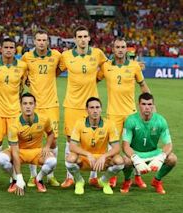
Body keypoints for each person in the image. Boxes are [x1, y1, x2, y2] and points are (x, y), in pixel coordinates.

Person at [97, 37, 151, 188]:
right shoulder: (106, 67)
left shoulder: (134, 67)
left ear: (126, 49)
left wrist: (151, 106)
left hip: (131, 113)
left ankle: (137, 176)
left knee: (134, 146)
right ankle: (113, 175)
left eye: (123, 47)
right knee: (113, 147)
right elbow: (93, 79)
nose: (120, 50)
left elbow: (143, 85)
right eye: (117, 47)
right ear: (113, 49)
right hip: (113, 113)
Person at [59, 25, 107, 188]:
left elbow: (107, 68)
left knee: (94, 138)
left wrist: (96, 80)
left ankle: (93, 176)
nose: (82, 39)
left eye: (85, 36)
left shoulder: (97, 53)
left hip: (92, 104)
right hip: (72, 105)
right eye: (79, 36)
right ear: (74, 39)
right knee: (69, 140)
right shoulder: (66, 56)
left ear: (89, 38)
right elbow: (55, 72)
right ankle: (70, 176)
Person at [0, 37, 28, 183]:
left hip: (14, 112)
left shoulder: (22, 66)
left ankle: (13, 175)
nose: (8, 50)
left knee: (14, 144)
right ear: (0, 49)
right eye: (6, 47)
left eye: (11, 47)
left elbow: (23, 85)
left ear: (15, 50)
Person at [21, 29, 61, 187]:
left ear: (48, 41)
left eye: (44, 40)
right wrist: (27, 82)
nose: (42, 43)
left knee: (54, 141)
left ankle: (49, 175)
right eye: (39, 40)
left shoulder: (56, 55)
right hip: (34, 106)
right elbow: (23, 75)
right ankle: (33, 176)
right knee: (32, 142)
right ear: (34, 41)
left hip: (52, 105)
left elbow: (59, 70)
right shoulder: (27, 57)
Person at [0, 93, 57, 196]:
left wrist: (47, 146)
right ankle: (15, 180)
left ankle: (38, 179)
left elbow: (51, 133)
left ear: (35, 105)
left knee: (52, 161)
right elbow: (15, 152)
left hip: (36, 152)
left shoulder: (44, 119)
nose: (28, 106)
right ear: (20, 105)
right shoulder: (14, 125)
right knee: (1, 158)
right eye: (25, 103)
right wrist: (20, 177)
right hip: (19, 152)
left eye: (30, 103)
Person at [65, 97, 124, 195]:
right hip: (85, 160)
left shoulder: (109, 124)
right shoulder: (80, 123)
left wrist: (104, 156)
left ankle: (104, 181)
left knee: (120, 161)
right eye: (92, 108)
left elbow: (117, 147)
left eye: (97, 107)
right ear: (87, 110)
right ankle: (79, 181)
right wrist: (87, 154)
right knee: (70, 159)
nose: (95, 110)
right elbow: (72, 146)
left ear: (101, 109)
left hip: (102, 160)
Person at [120, 93, 177, 194]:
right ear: (139, 105)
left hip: (153, 153)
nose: (147, 107)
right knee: (126, 161)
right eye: (144, 104)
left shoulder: (160, 120)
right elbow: (125, 145)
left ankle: (157, 180)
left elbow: (169, 144)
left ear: (153, 106)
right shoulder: (131, 120)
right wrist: (135, 158)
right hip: (136, 153)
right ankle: (127, 181)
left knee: (172, 159)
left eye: (150, 104)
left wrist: (162, 157)